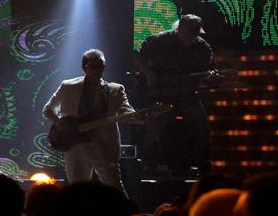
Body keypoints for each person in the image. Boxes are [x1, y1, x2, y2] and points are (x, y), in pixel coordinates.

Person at [42, 49, 134, 195]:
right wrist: (60, 123)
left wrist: (140, 117)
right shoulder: (68, 86)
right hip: (75, 145)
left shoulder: (115, 90)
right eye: (94, 66)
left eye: (101, 66)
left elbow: (127, 112)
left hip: (103, 145)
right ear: (85, 66)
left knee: (115, 188)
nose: (98, 70)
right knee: (76, 190)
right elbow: (48, 109)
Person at [137, 13, 213, 173]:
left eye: (195, 33)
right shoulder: (159, 41)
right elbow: (141, 56)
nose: (191, 36)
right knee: (153, 130)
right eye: (188, 32)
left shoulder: (202, 47)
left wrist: (205, 80)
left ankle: (203, 166)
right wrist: (150, 74)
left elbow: (208, 71)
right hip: (162, 94)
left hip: (187, 96)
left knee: (202, 130)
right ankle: (147, 165)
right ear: (179, 28)